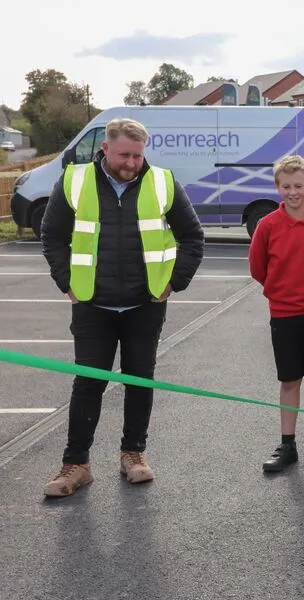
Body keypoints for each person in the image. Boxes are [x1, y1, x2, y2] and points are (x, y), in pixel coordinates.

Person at [40, 117, 205, 497]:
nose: (131, 163)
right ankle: (76, 464)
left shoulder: (163, 181)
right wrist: (66, 282)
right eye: (124, 155)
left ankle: (133, 454)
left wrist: (174, 282)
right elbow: (52, 235)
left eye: (137, 156)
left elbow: (193, 236)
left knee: (139, 380)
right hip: (92, 304)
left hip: (144, 304)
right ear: (105, 149)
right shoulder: (74, 180)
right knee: (88, 382)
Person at [249, 155, 304, 473]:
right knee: (289, 381)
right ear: (277, 187)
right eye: (286, 186)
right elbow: (258, 268)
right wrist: (281, 291)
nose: (293, 192)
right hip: (283, 315)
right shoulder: (267, 226)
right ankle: (287, 445)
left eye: (299, 185)